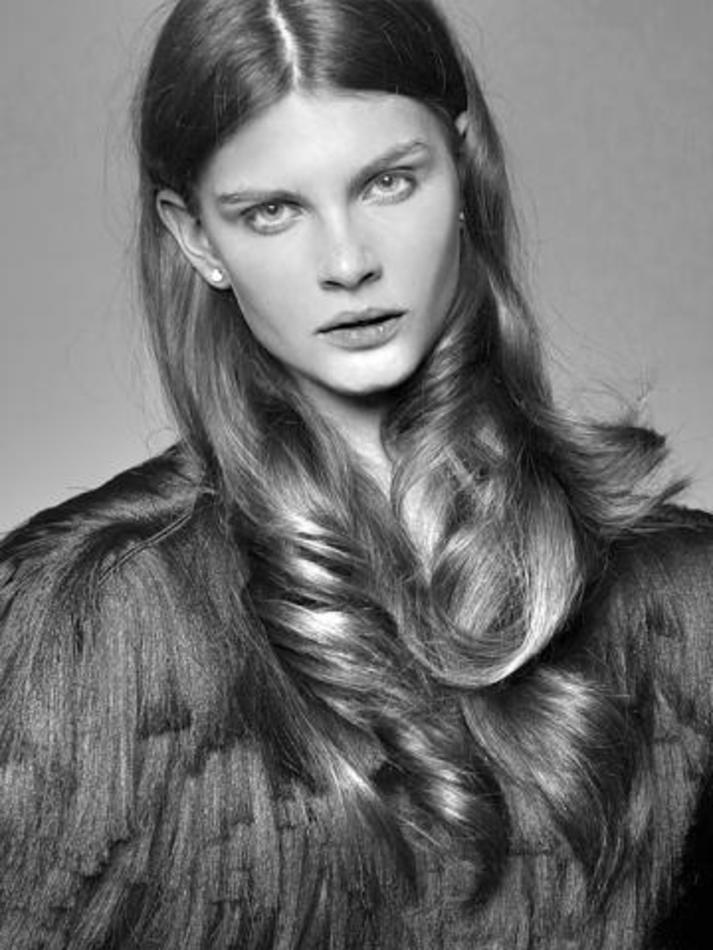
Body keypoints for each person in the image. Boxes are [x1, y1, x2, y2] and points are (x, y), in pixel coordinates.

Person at [1, 0, 711, 946]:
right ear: (197, 239)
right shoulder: (81, 618)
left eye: (387, 183)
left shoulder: (686, 601)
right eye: (272, 211)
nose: (346, 263)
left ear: (463, 166)